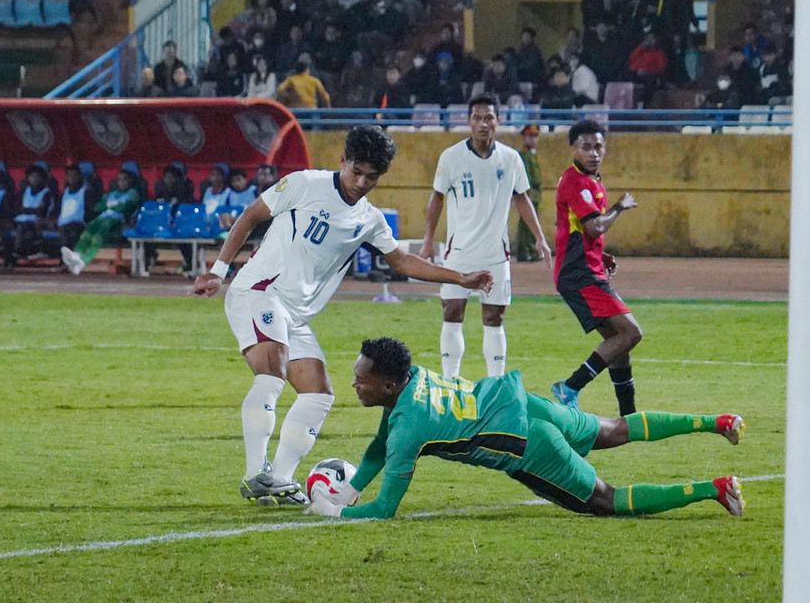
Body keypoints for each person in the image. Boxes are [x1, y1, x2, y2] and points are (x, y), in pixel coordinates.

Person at [190, 125, 494, 505]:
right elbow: (251, 216)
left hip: (295, 315)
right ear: (342, 162)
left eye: (372, 176)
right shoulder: (305, 184)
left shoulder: (369, 219)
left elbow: (401, 260)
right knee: (273, 372)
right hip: (260, 292)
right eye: (357, 171)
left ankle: (281, 481)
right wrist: (218, 272)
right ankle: (256, 474)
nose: (362, 182)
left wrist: (460, 277)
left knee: (318, 394)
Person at [303, 336, 746, 520]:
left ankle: (715, 488)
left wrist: (336, 510)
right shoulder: (411, 380)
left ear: (386, 384)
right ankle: (717, 421)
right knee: (613, 429)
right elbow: (378, 447)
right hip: (526, 402)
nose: (354, 384)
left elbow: (384, 512)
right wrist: (351, 486)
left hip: (527, 445)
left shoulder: (409, 430)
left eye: (361, 379)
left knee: (605, 502)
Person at [419, 93, 552, 379]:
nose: (483, 124)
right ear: (468, 122)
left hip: (495, 255)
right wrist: (428, 240)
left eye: (488, 118)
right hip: (459, 254)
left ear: (498, 121)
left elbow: (522, 198)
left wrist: (540, 237)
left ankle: (495, 383)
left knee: (494, 318)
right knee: (452, 313)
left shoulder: (511, 158)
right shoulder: (452, 157)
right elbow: (436, 199)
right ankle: (450, 381)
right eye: (477, 118)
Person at [551, 120, 641, 416]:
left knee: (618, 342)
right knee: (630, 333)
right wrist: (619, 206)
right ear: (573, 149)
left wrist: (601, 255)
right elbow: (592, 227)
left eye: (598, 147)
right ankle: (570, 386)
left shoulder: (591, 182)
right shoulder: (575, 182)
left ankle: (628, 418)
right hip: (579, 275)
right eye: (586, 147)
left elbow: (574, 230)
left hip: (586, 268)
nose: (593, 153)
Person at [61, 168, 143, 275]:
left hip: (117, 221)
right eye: (119, 180)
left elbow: (125, 207)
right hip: (101, 219)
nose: (122, 182)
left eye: (125, 180)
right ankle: (77, 254)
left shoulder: (133, 194)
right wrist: (112, 206)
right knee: (86, 233)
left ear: (130, 181)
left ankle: (84, 260)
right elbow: (98, 207)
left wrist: (109, 206)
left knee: (97, 238)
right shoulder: (112, 194)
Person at [11, 164, 57, 264]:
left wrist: (26, 210)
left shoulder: (47, 193)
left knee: (23, 228)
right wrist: (31, 209)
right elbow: (18, 208)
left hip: (37, 221)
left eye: (37, 176)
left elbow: (42, 211)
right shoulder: (24, 191)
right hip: (21, 220)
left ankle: (17, 251)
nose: (34, 179)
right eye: (32, 176)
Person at [57, 162, 99, 250]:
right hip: (63, 223)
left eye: (74, 175)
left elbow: (90, 210)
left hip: (79, 223)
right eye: (69, 175)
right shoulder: (65, 192)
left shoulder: (86, 192)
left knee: (68, 230)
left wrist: (86, 221)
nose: (71, 178)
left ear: (79, 176)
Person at [516, 124, 543, 262]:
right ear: (524, 138)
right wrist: (527, 193)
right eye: (530, 136)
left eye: (535, 136)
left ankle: (531, 249)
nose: (533, 140)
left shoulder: (532, 154)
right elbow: (524, 176)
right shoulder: (523, 156)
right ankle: (523, 250)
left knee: (533, 222)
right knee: (525, 223)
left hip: (536, 192)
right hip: (529, 192)